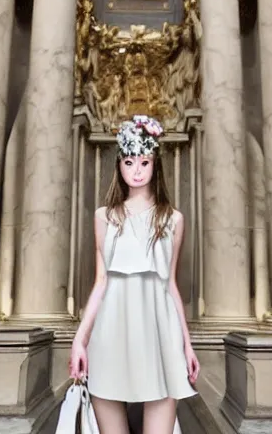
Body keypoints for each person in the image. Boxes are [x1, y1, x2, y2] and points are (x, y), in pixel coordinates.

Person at [69, 115, 200, 434]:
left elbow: (170, 285)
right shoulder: (105, 217)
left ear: (155, 165)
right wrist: (79, 340)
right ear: (120, 165)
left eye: (144, 162)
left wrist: (187, 345)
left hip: (159, 333)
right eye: (129, 162)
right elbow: (101, 283)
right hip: (112, 331)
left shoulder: (173, 219)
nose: (137, 170)